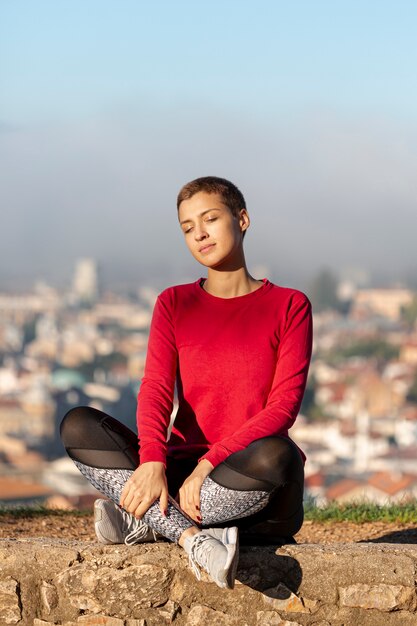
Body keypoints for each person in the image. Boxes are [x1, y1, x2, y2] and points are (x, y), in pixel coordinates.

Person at [60, 176, 312, 589]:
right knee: (78, 424)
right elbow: (157, 388)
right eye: (188, 227)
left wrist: (208, 465)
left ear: (242, 219)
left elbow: (283, 408)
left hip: (250, 483)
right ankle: (192, 538)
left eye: (210, 219)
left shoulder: (289, 304)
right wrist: (153, 459)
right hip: (179, 473)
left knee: (277, 454)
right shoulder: (174, 302)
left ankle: (152, 522)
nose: (200, 233)